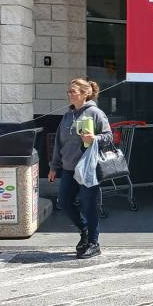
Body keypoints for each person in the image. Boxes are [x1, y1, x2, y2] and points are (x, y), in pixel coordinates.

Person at [48, 77, 113, 259]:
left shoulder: (95, 113)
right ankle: (84, 230)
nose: (69, 94)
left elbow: (109, 136)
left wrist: (95, 139)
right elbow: (58, 144)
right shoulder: (67, 116)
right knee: (64, 201)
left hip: (87, 169)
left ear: (85, 94)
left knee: (88, 205)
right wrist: (54, 166)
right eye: (68, 91)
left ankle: (94, 243)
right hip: (68, 168)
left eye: (73, 91)